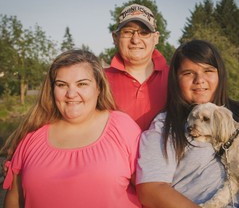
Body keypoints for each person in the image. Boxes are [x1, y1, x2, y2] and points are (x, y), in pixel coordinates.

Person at [136, 39, 239, 208]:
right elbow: (151, 189)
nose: (199, 80)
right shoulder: (165, 127)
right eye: (188, 73)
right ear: (175, 79)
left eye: (208, 70)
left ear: (220, 75)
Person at [1, 50, 142, 208]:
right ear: (52, 90)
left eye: (82, 84)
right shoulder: (32, 136)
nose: (71, 94)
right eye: (62, 85)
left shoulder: (122, 127)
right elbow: (14, 199)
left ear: (99, 88)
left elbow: (149, 192)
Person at [105, 3, 170, 131]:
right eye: (128, 32)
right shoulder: (99, 79)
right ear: (115, 38)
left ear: (156, 38)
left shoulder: (174, 77)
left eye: (144, 33)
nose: (135, 40)